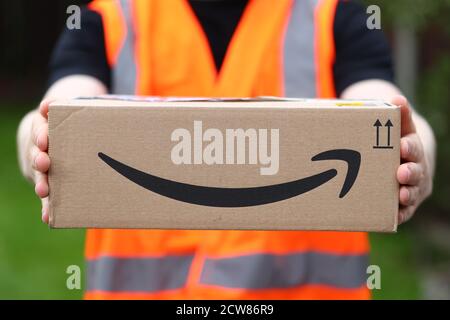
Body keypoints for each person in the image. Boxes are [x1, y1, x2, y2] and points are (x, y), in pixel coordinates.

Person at [17, 0, 435, 299]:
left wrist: (417, 158)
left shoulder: (334, 15)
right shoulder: (109, 19)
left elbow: (387, 107)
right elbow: (60, 106)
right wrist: (41, 141)